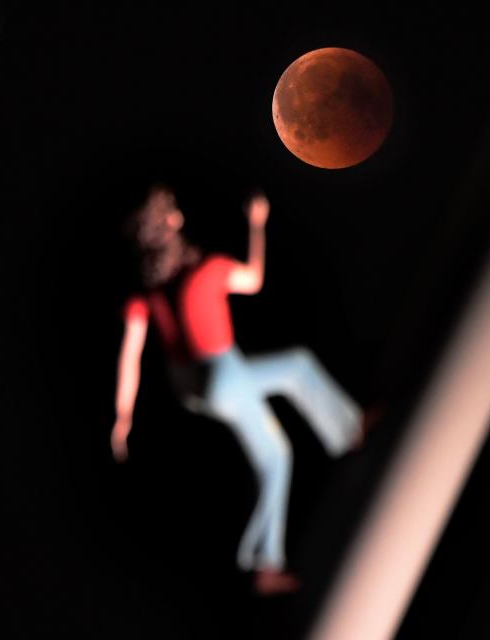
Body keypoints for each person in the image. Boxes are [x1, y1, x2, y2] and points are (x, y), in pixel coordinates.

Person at [110, 184, 367, 595]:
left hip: (193, 390)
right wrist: (257, 225)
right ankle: (266, 561)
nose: (178, 215)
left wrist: (123, 417)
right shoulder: (206, 269)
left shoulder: (149, 294)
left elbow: (131, 356)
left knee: (294, 374)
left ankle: (347, 432)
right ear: (169, 226)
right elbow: (253, 279)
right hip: (224, 377)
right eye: (172, 212)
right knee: (279, 452)